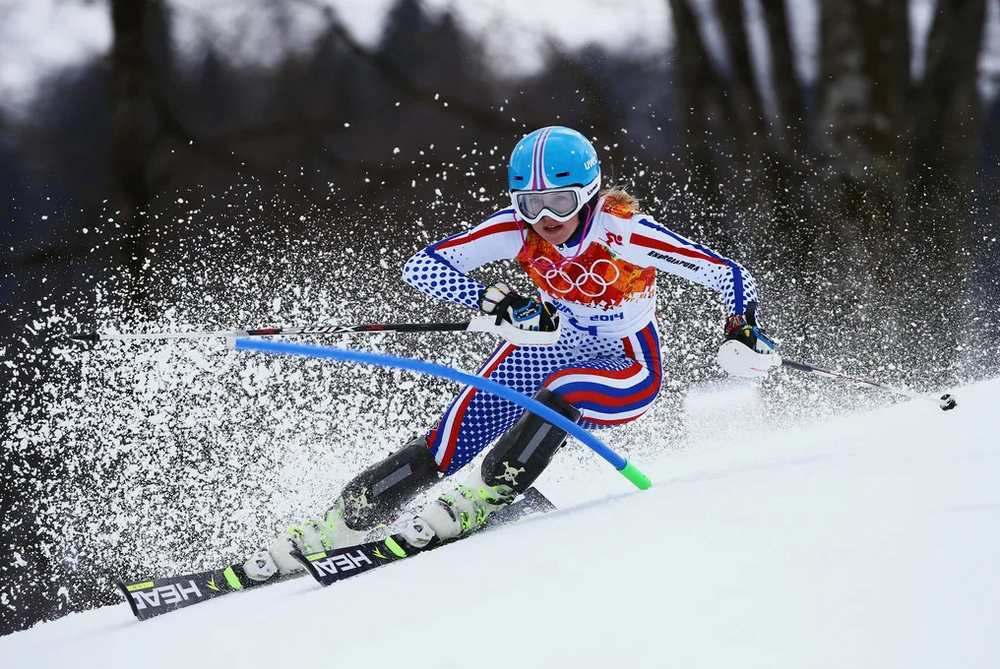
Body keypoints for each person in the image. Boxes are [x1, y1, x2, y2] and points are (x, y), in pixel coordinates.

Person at [245, 125, 779, 579]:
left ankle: (485, 495)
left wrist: (741, 327)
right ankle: (341, 522)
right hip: (550, 344)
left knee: (563, 392)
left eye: (561, 202)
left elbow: (729, 274)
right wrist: (494, 301)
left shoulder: (626, 232)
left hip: (624, 363)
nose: (545, 217)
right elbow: (422, 267)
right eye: (531, 204)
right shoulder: (516, 232)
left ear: (589, 193)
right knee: (453, 436)